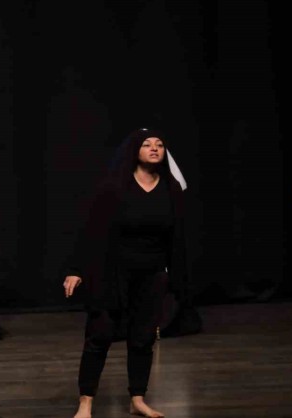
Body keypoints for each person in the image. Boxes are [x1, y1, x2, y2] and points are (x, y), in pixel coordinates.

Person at [63, 127, 190, 418]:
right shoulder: (114, 187)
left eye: (159, 145)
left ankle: (137, 399)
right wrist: (75, 269)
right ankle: (86, 402)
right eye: (147, 144)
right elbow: (91, 231)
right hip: (112, 273)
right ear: (135, 150)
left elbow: (177, 238)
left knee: (143, 338)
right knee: (100, 335)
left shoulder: (171, 189)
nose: (154, 148)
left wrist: (176, 279)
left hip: (152, 274)